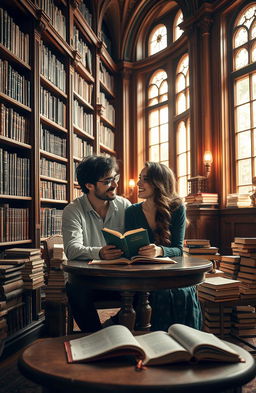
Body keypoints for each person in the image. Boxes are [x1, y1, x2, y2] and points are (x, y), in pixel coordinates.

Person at [124, 162, 202, 331]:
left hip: (170, 273)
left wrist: (159, 251)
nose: (138, 184)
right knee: (157, 294)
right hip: (141, 275)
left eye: (144, 179)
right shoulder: (131, 212)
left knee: (181, 292)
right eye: (139, 179)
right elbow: (128, 249)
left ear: (158, 183)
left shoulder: (177, 208)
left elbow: (178, 249)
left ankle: (185, 342)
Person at [62, 155, 131, 332]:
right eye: (108, 181)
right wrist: (99, 253)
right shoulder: (73, 210)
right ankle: (95, 337)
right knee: (74, 289)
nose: (115, 184)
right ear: (89, 186)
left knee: (149, 291)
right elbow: (71, 249)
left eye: (115, 178)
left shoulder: (125, 206)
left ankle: (112, 327)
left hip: (122, 279)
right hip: (90, 281)